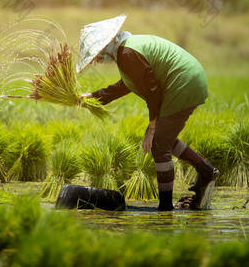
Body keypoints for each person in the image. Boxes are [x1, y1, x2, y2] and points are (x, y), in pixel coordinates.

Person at [76, 14, 218, 211]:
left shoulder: (127, 54)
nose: (98, 59)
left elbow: (153, 91)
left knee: (159, 144)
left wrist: (151, 128)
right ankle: (205, 170)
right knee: (164, 138)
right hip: (188, 80)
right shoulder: (127, 50)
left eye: (98, 54)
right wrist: (92, 97)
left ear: (107, 44)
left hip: (183, 83)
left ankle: (166, 207)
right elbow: (124, 86)